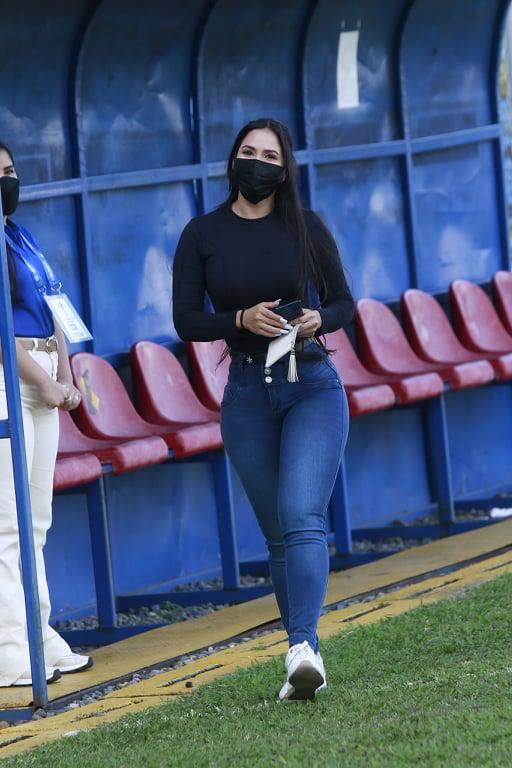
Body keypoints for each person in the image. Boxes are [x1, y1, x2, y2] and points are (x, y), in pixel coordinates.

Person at [173, 118, 354, 701]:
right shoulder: (202, 233)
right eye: (246, 153)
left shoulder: (305, 226)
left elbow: (345, 301)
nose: (256, 163)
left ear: (285, 168)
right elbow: (186, 320)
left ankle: (303, 648)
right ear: (231, 162)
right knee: (278, 533)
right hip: (247, 392)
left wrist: (318, 318)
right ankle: (303, 650)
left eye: (268, 155)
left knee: (303, 514)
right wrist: (239, 320)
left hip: (311, 382)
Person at [0, 142, 93, 686]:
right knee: (7, 525)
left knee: (36, 521)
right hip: (9, 383)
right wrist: (45, 383)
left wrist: (68, 372)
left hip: (45, 379)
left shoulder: (21, 236)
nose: (7, 181)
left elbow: (56, 308)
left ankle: (40, 635)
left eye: (9, 171)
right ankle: (11, 647)